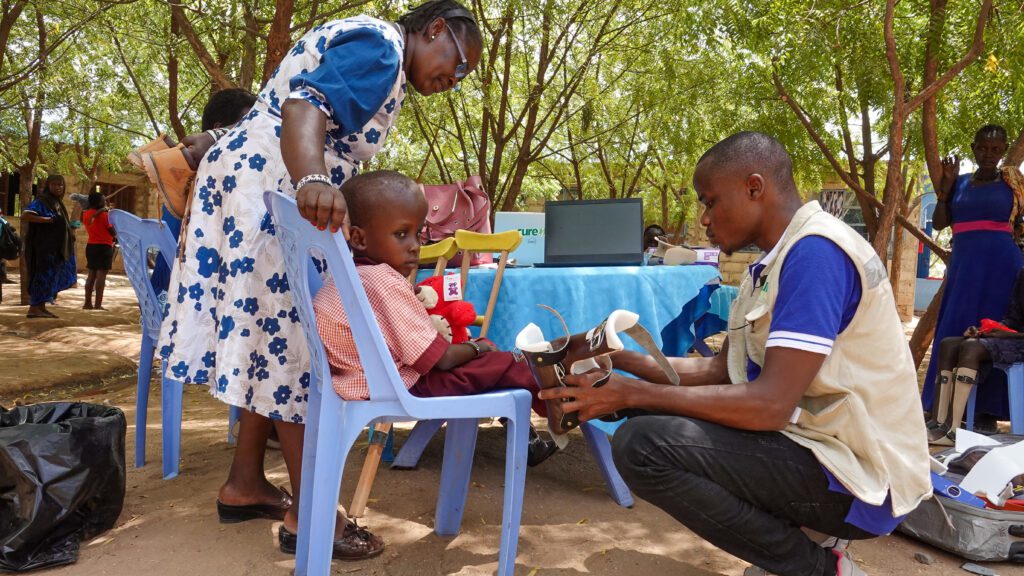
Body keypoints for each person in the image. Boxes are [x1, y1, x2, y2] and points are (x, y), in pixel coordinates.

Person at [158, 0, 482, 561]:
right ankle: (313, 517)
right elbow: (305, 106)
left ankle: (244, 484)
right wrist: (312, 177)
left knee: (273, 341)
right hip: (272, 191)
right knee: (299, 348)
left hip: (254, 186)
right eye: (457, 64)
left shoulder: (371, 48)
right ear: (434, 30)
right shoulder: (382, 47)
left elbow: (282, 100)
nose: (453, 80)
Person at [538, 132, 931, 576]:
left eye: (710, 202)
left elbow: (768, 405)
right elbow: (722, 370)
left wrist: (631, 396)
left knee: (644, 444)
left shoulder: (816, 254)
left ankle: (819, 568)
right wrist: (618, 360)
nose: (704, 219)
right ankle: (799, 542)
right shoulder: (773, 263)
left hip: (860, 475)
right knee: (644, 422)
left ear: (754, 187)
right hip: (820, 450)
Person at [314, 171, 559, 465]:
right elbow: (438, 360)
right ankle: (559, 404)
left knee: (487, 363)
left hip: (361, 384)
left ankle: (548, 405)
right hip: (403, 386)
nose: (415, 245)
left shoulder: (339, 280)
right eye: (401, 234)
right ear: (359, 238)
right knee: (500, 361)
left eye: (417, 233)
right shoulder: (383, 281)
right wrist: (477, 348)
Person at [922, 124, 1024, 433]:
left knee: (991, 332)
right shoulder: (960, 183)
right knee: (955, 325)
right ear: (973, 148)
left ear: (1003, 151)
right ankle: (941, 409)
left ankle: (987, 412)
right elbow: (941, 223)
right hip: (964, 265)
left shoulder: (1013, 184)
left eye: (995, 149)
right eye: (983, 148)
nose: (989, 154)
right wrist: (945, 189)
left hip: (1003, 265)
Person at [140, 88, 258, 308]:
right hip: (182, 302)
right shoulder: (214, 179)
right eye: (246, 127)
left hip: (159, 297)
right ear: (218, 130)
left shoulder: (182, 180)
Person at [928, 267, 1024, 445]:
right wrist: (987, 330)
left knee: (971, 349)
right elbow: (1013, 319)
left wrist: (1010, 335)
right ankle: (939, 423)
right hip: (1015, 338)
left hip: (1019, 342)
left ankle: (954, 432)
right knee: (948, 344)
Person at [20, 174, 77, 319]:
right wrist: (47, 220)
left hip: (54, 248)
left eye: (60, 185)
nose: (58, 187)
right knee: (42, 276)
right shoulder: (42, 201)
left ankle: (41, 307)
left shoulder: (57, 202)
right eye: (54, 185)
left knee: (50, 277)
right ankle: (34, 308)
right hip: (43, 248)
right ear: (48, 186)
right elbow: (25, 216)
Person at [82, 192, 116, 310]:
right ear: (97, 202)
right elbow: (112, 231)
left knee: (91, 274)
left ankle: (87, 303)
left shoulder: (86, 214)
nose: (105, 202)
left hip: (91, 246)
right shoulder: (105, 216)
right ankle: (98, 305)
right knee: (101, 275)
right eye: (103, 200)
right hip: (104, 247)